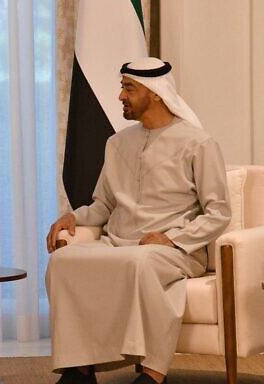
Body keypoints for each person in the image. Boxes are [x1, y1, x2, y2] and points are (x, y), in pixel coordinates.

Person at [46, 57, 231, 384]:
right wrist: (73, 217)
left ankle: (153, 373)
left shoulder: (198, 143)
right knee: (62, 261)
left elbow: (219, 211)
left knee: (141, 262)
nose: (121, 96)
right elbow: (104, 205)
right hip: (118, 243)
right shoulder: (117, 143)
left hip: (176, 250)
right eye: (122, 87)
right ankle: (80, 370)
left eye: (129, 88)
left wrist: (172, 239)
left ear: (156, 93)